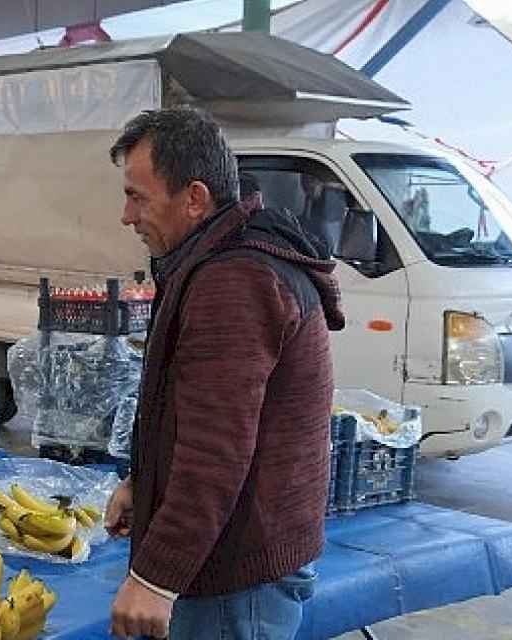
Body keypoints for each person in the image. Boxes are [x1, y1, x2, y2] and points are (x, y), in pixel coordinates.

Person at [104, 109, 345, 640]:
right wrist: (145, 482)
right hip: (234, 562)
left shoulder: (234, 282)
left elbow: (217, 450)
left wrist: (154, 578)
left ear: (194, 198)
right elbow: (202, 414)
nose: (126, 215)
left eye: (138, 197)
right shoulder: (216, 261)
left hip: (236, 582)